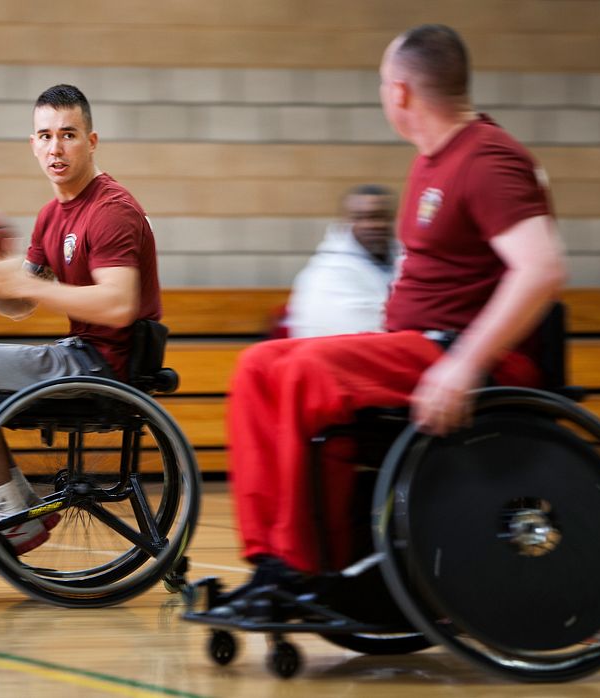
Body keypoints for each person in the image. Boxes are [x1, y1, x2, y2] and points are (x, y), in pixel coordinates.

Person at [220, 24, 567, 600]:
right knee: (259, 365)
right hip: (418, 344)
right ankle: (270, 563)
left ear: (401, 92)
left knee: (306, 375)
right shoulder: (435, 160)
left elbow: (543, 269)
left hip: (466, 357)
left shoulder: (488, 159)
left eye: (383, 83)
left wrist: (460, 366)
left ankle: (307, 571)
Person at [0, 84, 161, 578]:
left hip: (104, 363)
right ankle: (14, 510)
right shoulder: (52, 215)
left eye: (68, 134)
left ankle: (13, 514)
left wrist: (19, 281)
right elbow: (20, 304)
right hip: (81, 352)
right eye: (46, 136)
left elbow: (118, 305)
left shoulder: (111, 209)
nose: (56, 148)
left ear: (91, 141)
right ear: (32, 144)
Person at [284, 184, 397, 338]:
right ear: (346, 222)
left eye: (380, 216)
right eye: (360, 218)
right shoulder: (326, 272)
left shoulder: (404, 260)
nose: (372, 225)